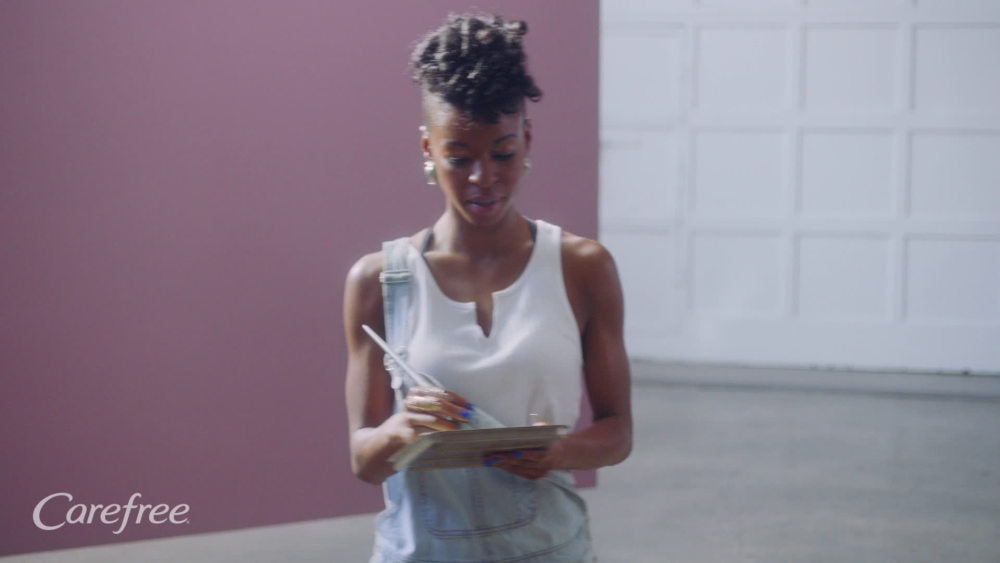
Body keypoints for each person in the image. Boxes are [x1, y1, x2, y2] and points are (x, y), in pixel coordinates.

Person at [343, 13, 632, 562]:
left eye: (502, 153)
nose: (483, 178)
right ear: (428, 149)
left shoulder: (582, 268)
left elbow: (618, 432)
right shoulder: (378, 281)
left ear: (527, 139)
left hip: (548, 550)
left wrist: (559, 451)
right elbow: (364, 460)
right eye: (459, 157)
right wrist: (401, 431)